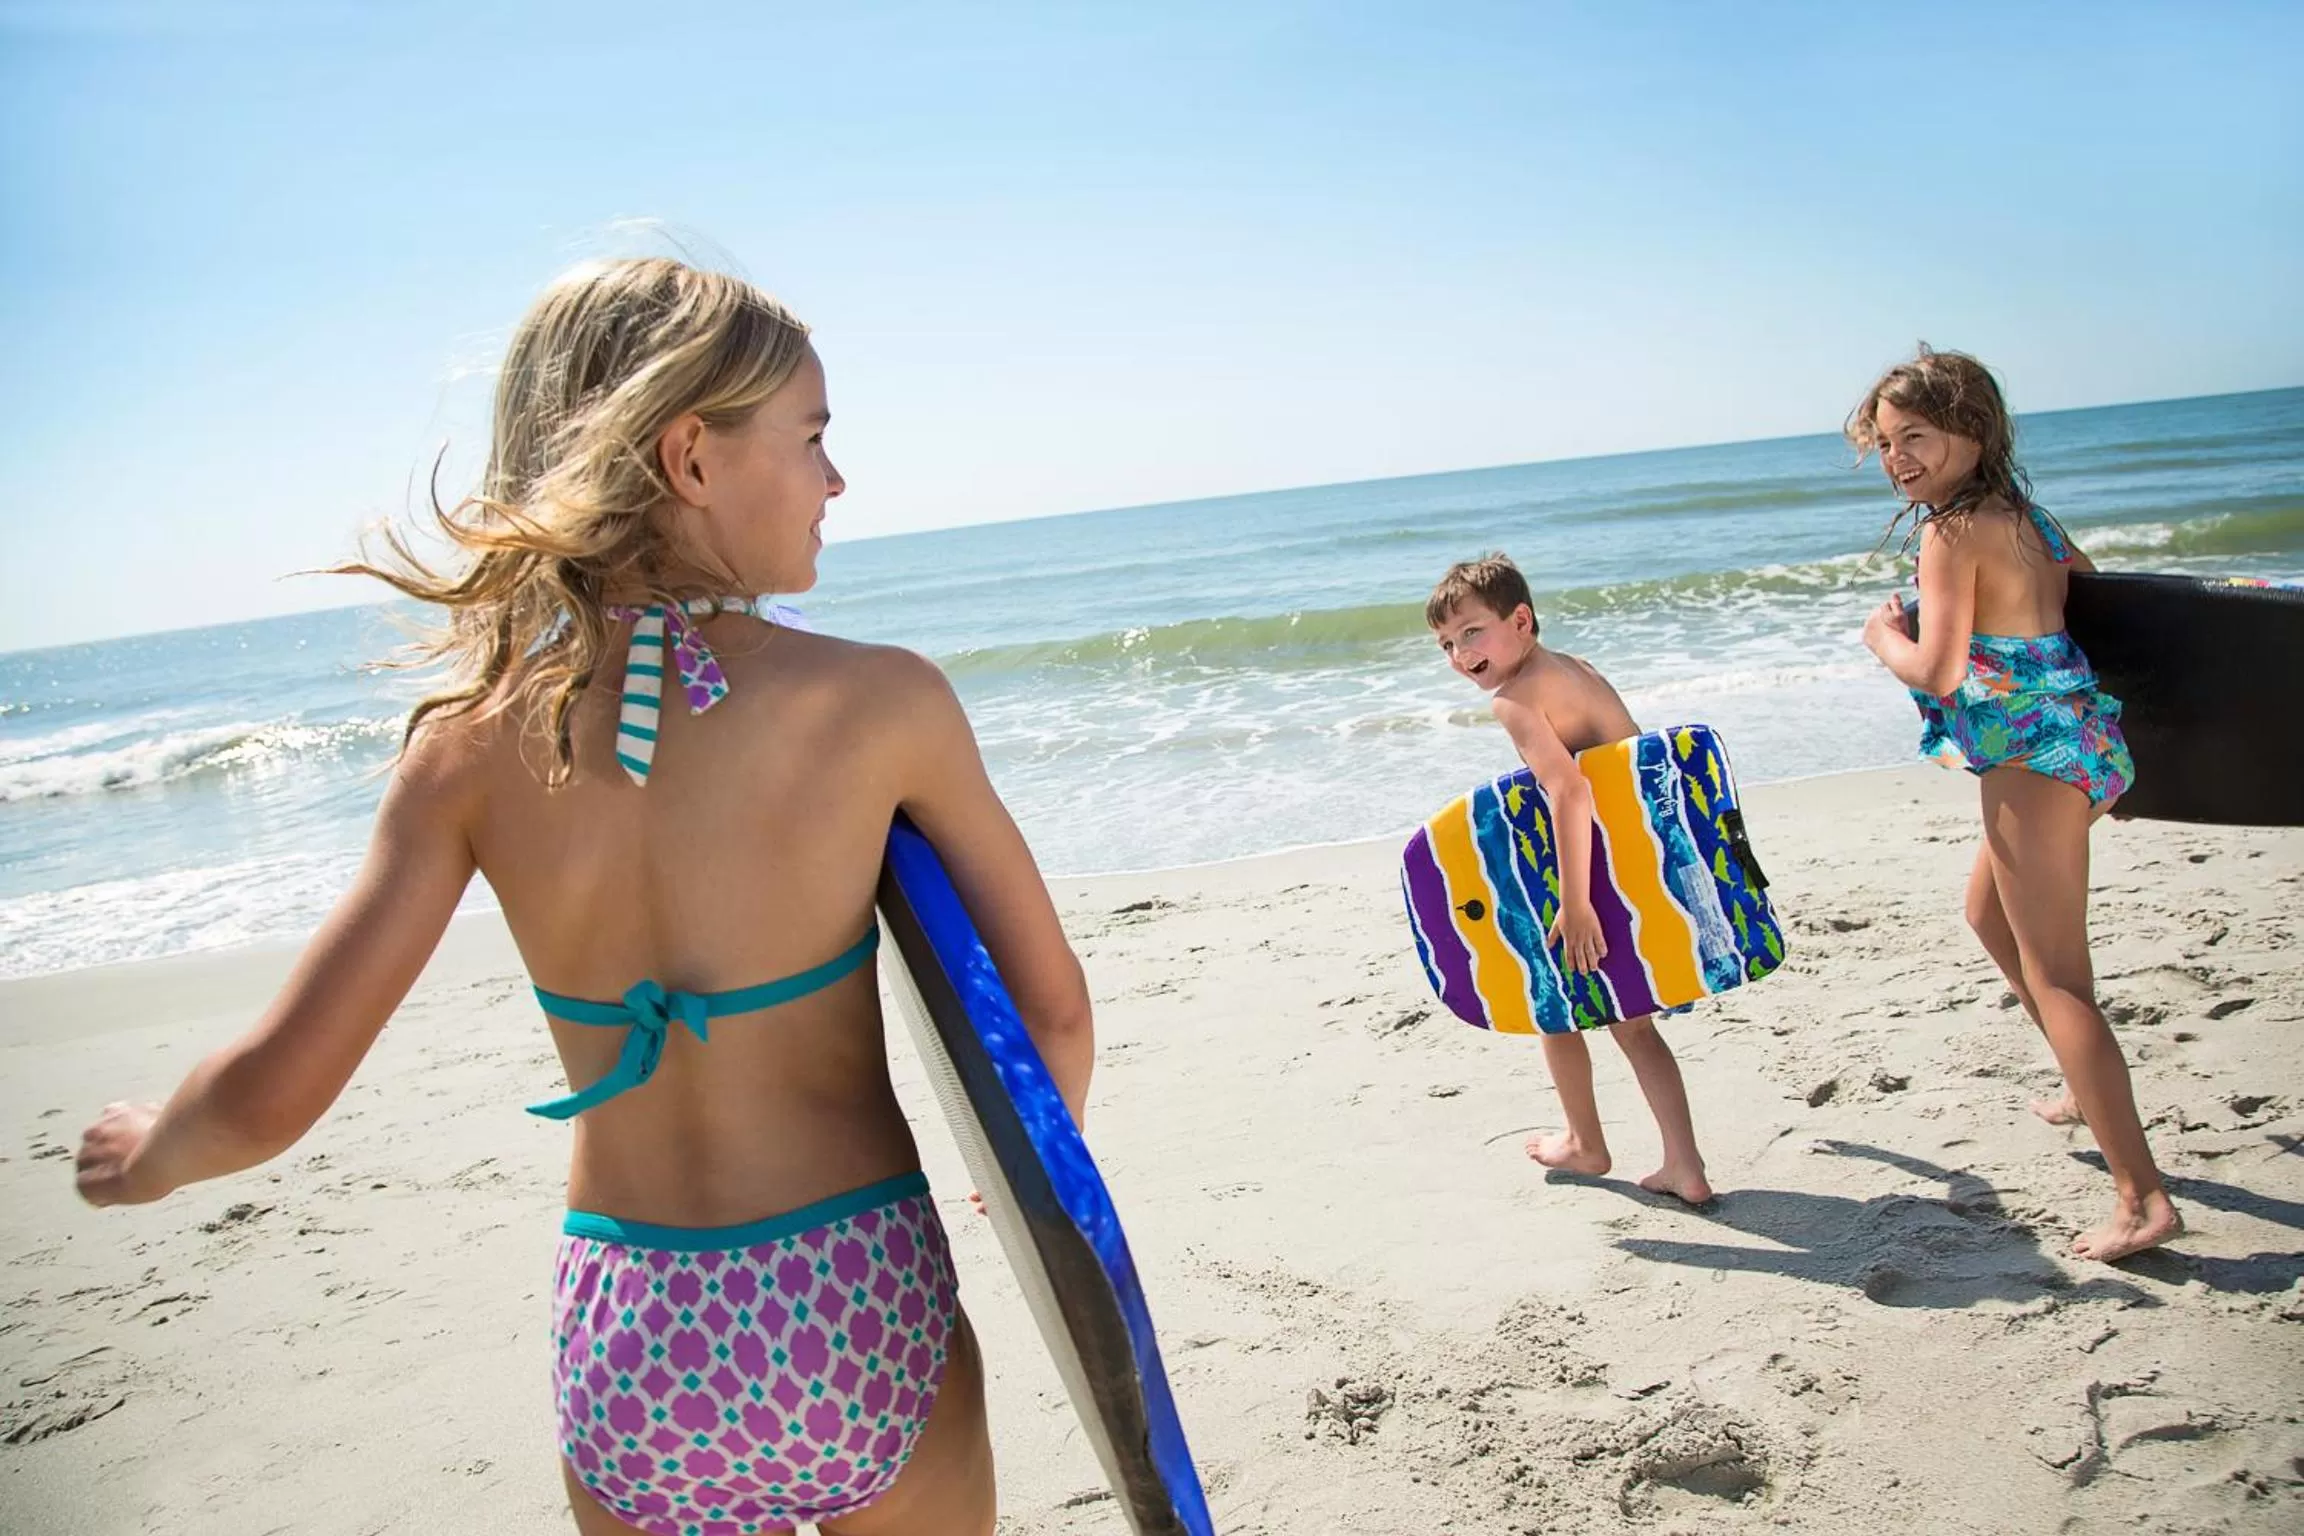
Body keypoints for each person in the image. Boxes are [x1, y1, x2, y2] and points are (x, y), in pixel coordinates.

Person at [72, 255, 1096, 1535]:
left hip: (635, 1341)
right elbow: (1050, 1014)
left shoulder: (467, 746)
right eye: (812, 438)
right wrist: (1034, 1180)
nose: (836, 479)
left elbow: (270, 1094)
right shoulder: (883, 703)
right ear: (691, 456)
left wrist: (152, 1154)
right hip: (855, 1305)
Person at [1851, 343, 2178, 1264]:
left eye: (1915, 436)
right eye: (1885, 443)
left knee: (2060, 978)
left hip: (2030, 764)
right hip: (2085, 746)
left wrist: (1883, 636)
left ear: (1971, 429)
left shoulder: (1950, 534)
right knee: (1986, 913)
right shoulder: (2027, 517)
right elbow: (2099, 599)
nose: (1897, 458)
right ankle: (2082, 1085)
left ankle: (2142, 1198)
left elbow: (1938, 669)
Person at [1426, 553, 1713, 1205]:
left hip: (1597, 874)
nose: (1460, 653)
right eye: (1446, 644)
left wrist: (1577, 904)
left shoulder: (1514, 700)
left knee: (1551, 1008)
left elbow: (1570, 792)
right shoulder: (1576, 668)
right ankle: (1685, 1164)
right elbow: (1634, 766)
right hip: (1643, 858)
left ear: (1520, 620)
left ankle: (1585, 1143)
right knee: (1634, 1026)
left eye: (1472, 631)